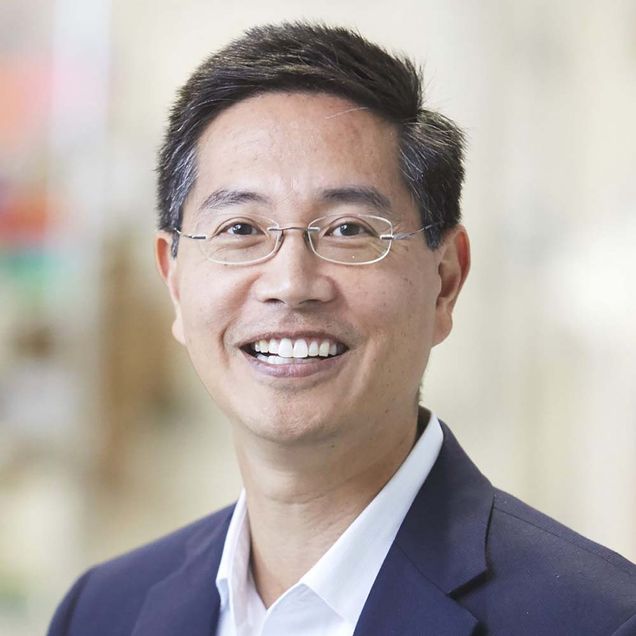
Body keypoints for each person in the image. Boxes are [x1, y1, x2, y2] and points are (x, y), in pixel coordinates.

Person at [48, 22, 636, 636]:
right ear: (174, 280)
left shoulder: (598, 620)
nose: (291, 282)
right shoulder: (102, 610)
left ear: (445, 280)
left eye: (349, 230)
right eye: (241, 229)